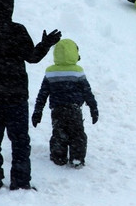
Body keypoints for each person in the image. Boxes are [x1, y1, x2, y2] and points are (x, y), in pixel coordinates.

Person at [0, 0, 61, 192]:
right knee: (20, 140)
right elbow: (32, 57)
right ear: (11, 8)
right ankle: (21, 182)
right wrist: (46, 44)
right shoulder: (17, 31)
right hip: (16, 95)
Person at [31, 38, 99, 168]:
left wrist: (37, 112)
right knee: (77, 134)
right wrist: (93, 108)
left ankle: (58, 157)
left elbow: (43, 94)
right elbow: (87, 92)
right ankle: (77, 158)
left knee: (59, 133)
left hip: (57, 110)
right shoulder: (77, 71)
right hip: (74, 109)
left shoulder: (51, 72)